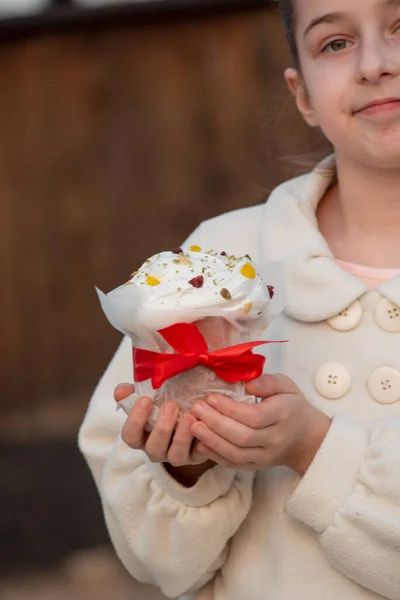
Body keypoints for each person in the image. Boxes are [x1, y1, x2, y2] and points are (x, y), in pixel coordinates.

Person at [78, 1, 400, 598]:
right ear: (302, 94)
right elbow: (156, 560)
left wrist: (313, 448)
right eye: (335, 43)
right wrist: (187, 467)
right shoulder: (218, 259)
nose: (375, 64)